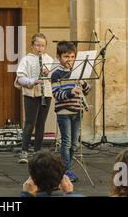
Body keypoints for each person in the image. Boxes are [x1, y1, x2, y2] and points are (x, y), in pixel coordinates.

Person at [51, 41, 90, 182]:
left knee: (74, 144)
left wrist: (84, 84)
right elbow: (56, 93)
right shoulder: (56, 74)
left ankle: (65, 167)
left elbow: (87, 90)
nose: (70, 60)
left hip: (77, 111)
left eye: (72, 57)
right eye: (66, 56)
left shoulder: (78, 72)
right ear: (59, 57)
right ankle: (66, 171)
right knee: (66, 142)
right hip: (64, 112)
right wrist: (70, 92)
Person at [15, 33, 54, 164]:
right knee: (30, 122)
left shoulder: (49, 59)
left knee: (41, 123)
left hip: (46, 94)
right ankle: (24, 151)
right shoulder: (26, 59)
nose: (40, 48)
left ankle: (37, 151)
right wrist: (33, 81)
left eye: (43, 45)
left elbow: (54, 76)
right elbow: (20, 77)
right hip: (31, 94)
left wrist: (48, 74)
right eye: (37, 45)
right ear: (32, 46)